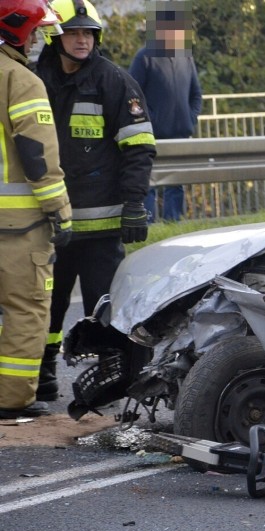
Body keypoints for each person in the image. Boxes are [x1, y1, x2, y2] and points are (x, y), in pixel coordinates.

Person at [34, 0, 155, 401]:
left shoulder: (114, 82)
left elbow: (139, 148)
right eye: (74, 32)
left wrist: (135, 205)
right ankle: (45, 371)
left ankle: (108, 379)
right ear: (56, 36)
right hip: (52, 223)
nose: (83, 39)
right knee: (47, 306)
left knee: (104, 309)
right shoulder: (36, 80)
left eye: (88, 32)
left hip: (102, 227)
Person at [0, 0, 72, 418]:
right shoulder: (20, 80)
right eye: (35, 33)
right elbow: (37, 154)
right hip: (18, 225)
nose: (37, 42)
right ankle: (11, 400)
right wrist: (59, 211)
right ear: (15, 31)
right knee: (25, 309)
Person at [130, 0, 201, 222]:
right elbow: (133, 95)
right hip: (152, 136)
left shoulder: (185, 56)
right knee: (149, 184)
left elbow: (196, 94)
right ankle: (148, 224)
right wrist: (146, 122)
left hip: (181, 134)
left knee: (176, 184)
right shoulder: (144, 57)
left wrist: (190, 118)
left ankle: (174, 223)